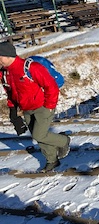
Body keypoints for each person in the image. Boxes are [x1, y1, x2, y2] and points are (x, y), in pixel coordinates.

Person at [0, 41, 70, 172]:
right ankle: (52, 160)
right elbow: (10, 92)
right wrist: (13, 110)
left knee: (39, 135)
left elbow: (51, 87)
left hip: (42, 106)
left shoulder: (31, 67)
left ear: (7, 55)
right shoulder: (4, 73)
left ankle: (63, 140)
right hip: (26, 108)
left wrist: (49, 106)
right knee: (38, 137)